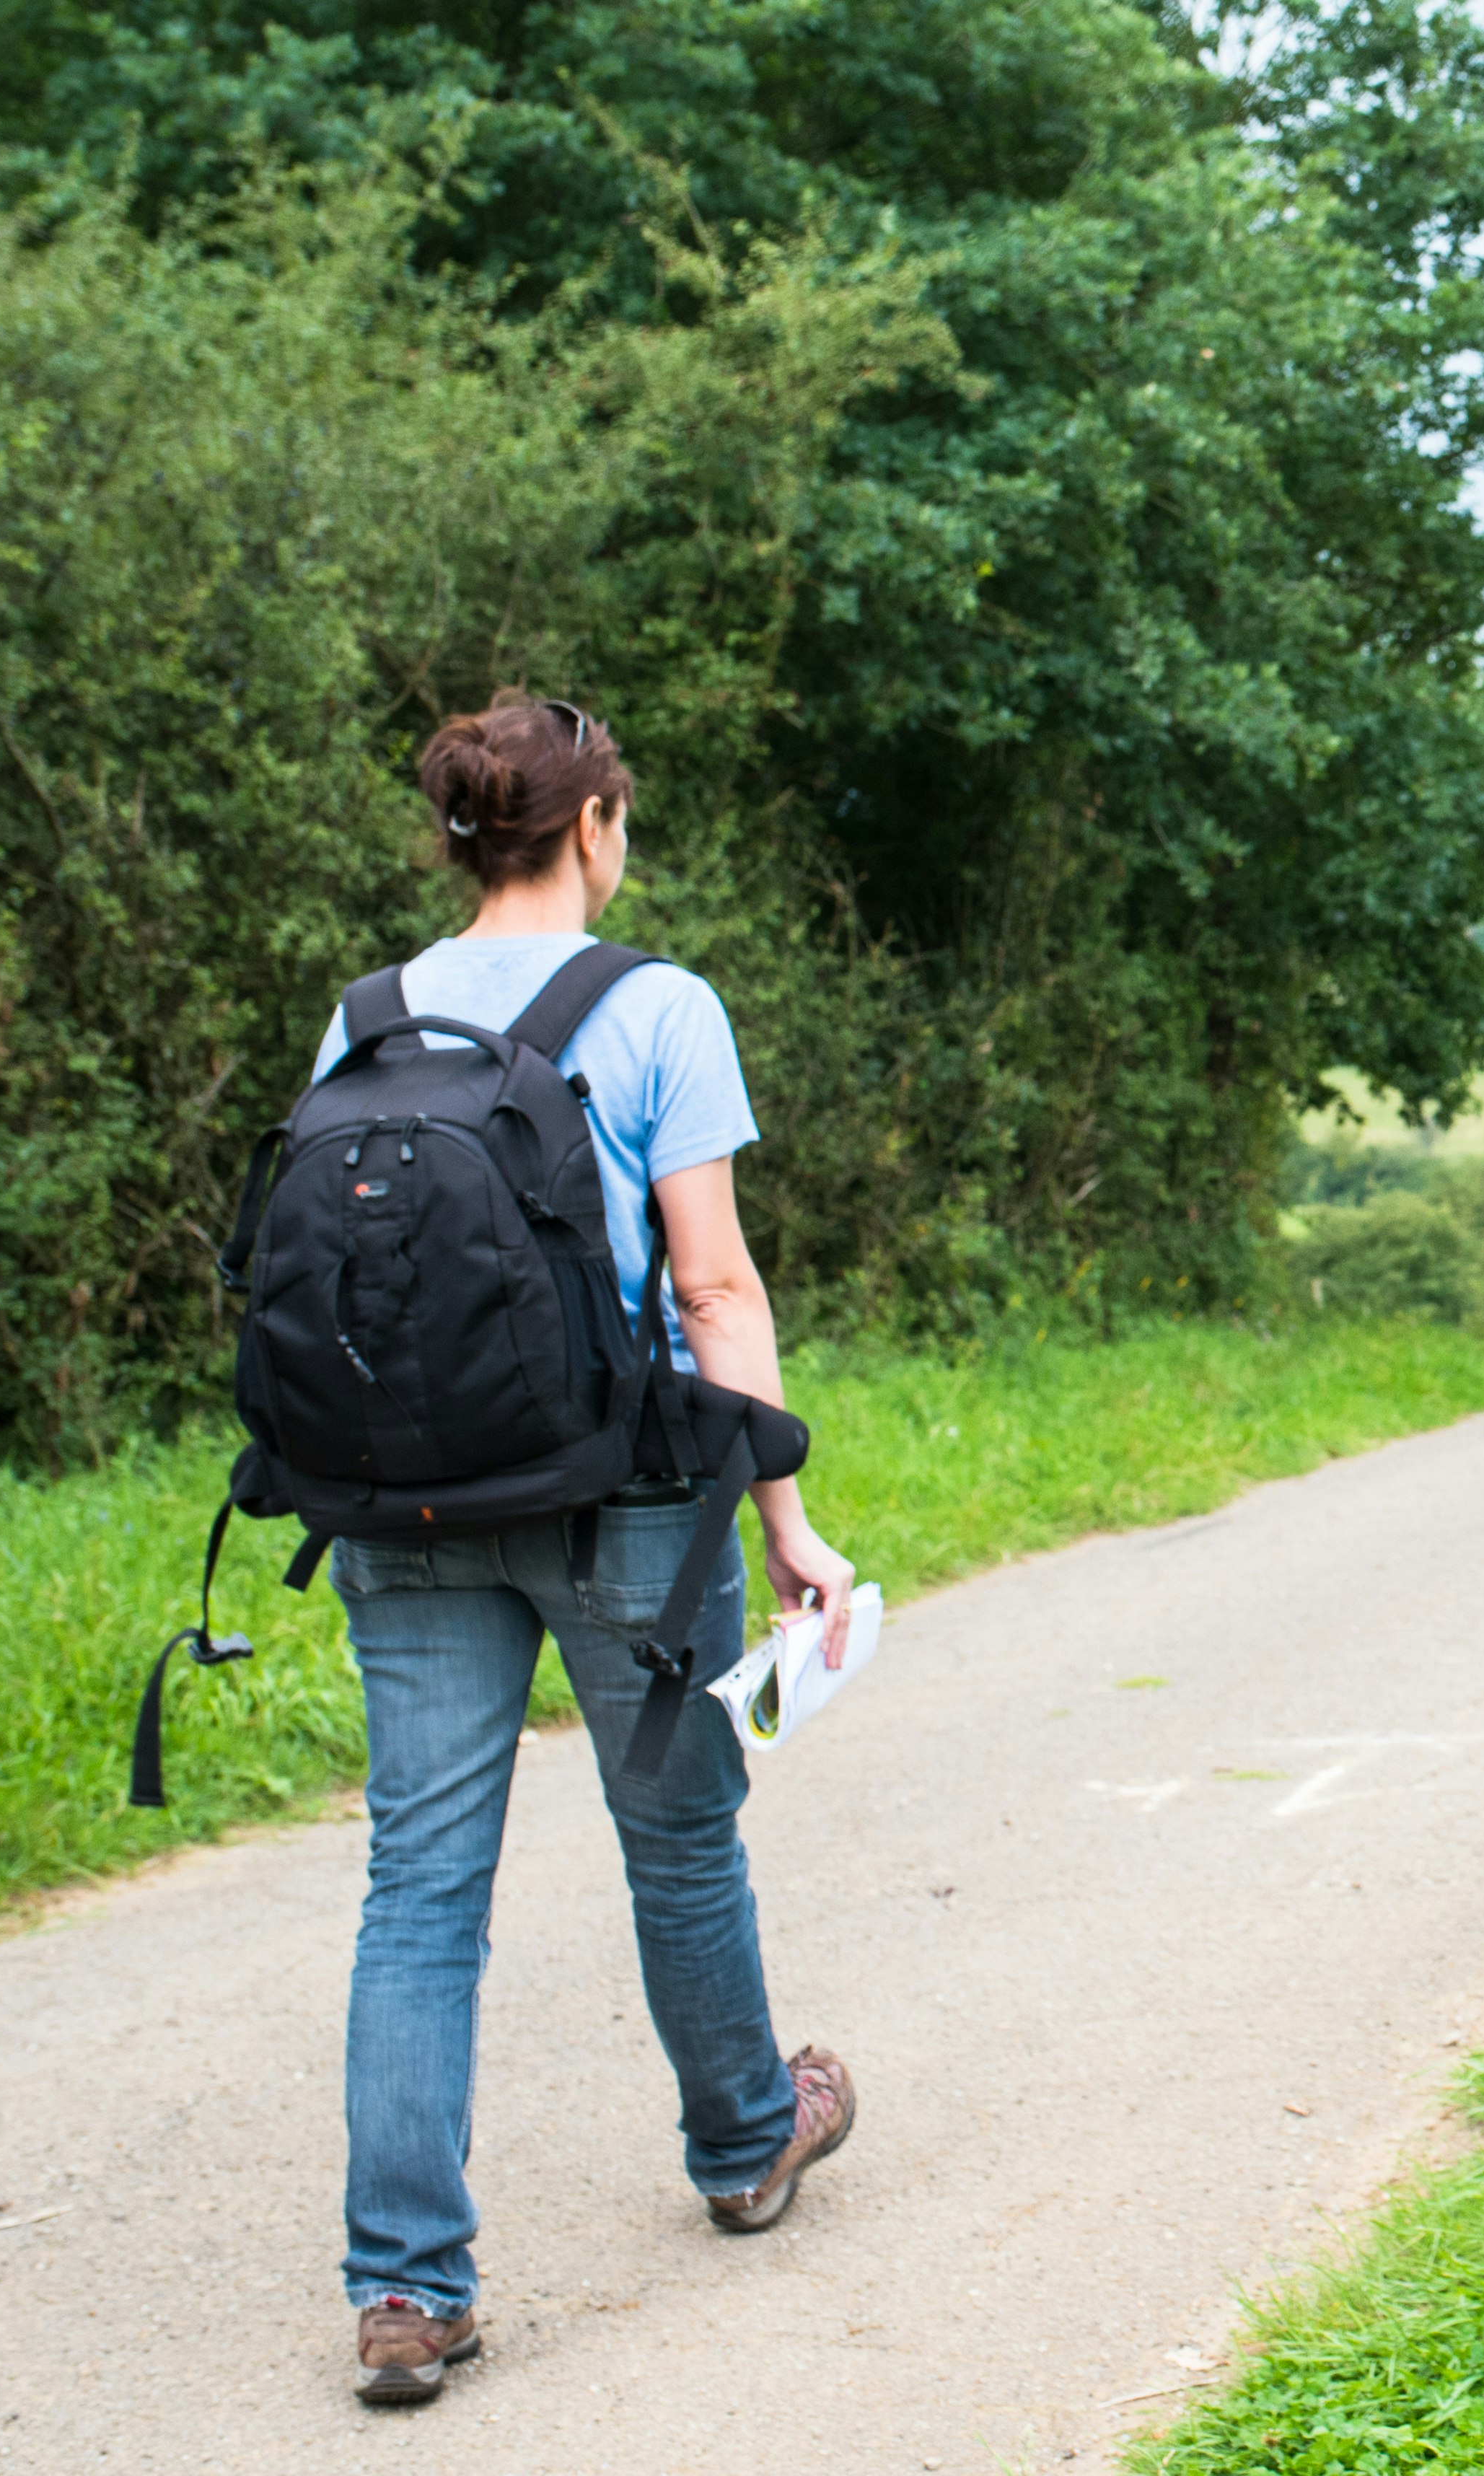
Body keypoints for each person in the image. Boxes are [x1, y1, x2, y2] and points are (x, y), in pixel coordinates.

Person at [315, 692, 859, 2407]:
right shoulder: (657, 1006)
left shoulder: (363, 1019)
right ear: (598, 827)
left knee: (419, 1889)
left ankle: (407, 2291)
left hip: (399, 1505)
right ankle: (746, 2139)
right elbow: (711, 1287)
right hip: (626, 1498)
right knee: (680, 1840)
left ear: (459, 839)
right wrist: (784, 1516)